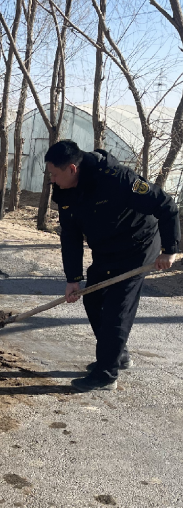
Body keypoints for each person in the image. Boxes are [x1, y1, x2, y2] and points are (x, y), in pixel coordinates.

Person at [46, 139, 180, 392]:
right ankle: (118, 355)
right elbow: (70, 236)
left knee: (116, 309)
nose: (51, 179)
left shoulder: (116, 178)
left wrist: (170, 250)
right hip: (107, 249)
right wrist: (73, 278)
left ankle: (106, 374)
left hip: (138, 246)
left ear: (72, 169)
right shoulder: (65, 191)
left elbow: (165, 205)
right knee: (93, 299)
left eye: (54, 174)